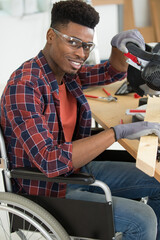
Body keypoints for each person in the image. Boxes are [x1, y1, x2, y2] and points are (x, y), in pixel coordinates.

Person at [1, 0, 160, 239]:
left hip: (77, 169)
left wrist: (119, 45)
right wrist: (116, 133)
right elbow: (50, 162)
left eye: (87, 46)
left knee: (158, 183)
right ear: (51, 36)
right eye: (73, 42)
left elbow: (111, 71)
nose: (81, 54)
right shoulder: (24, 86)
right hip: (48, 189)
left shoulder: (65, 72)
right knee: (143, 219)